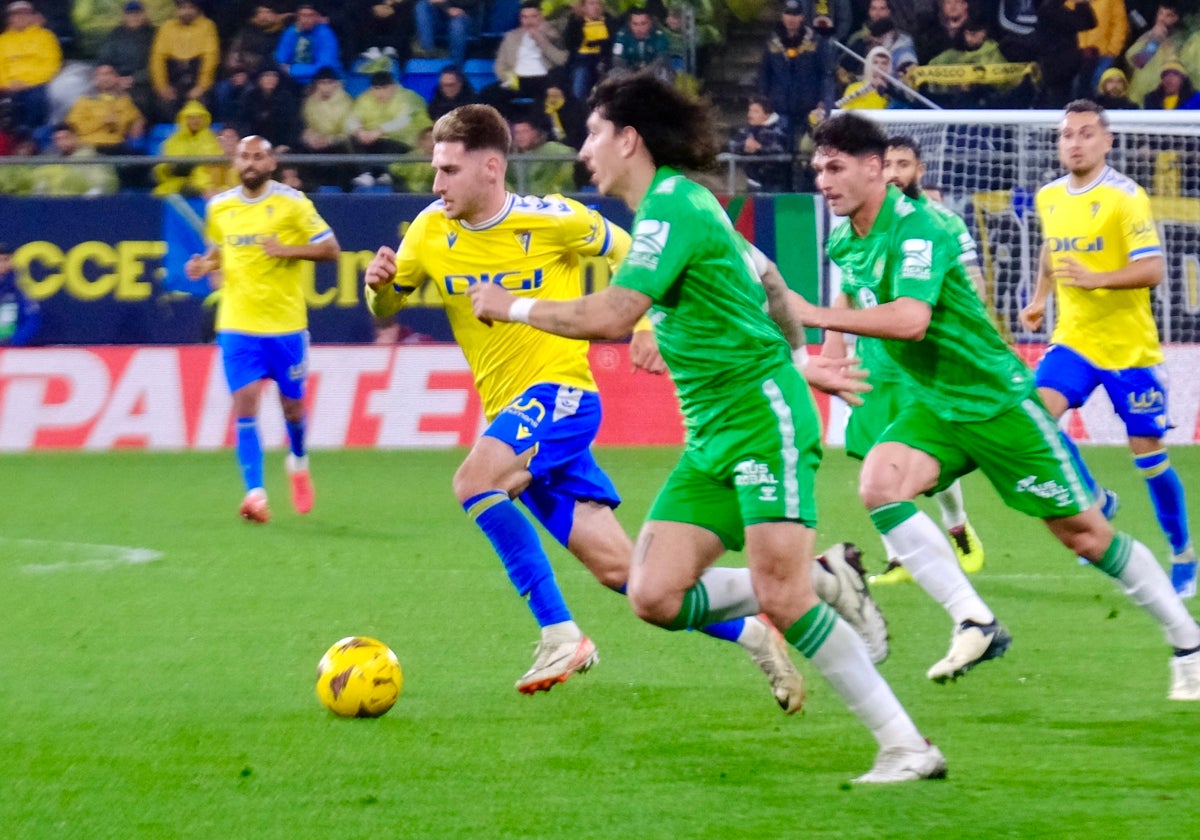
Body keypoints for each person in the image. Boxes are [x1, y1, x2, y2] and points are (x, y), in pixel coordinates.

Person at [464, 79, 940, 783]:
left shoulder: (671, 205)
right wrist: (801, 360)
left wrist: (513, 306)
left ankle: (906, 746)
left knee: (782, 600)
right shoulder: (690, 206)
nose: (586, 149)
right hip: (715, 433)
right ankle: (827, 576)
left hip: (757, 421)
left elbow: (616, 315)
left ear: (629, 138)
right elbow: (771, 280)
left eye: (594, 133)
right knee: (652, 593)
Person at [363, 102, 890, 708]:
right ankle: (773, 618)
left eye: (449, 170)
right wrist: (380, 290)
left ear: (490, 168)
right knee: (625, 575)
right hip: (510, 414)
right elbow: (390, 305)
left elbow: (629, 252)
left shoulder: (555, 218)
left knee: (474, 481)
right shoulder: (430, 230)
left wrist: (643, 328)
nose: (436, 184)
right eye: (435, 169)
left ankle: (560, 633)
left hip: (561, 397)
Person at [795, 110, 1200, 701]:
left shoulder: (920, 228)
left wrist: (812, 316)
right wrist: (828, 358)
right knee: (880, 486)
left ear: (877, 169)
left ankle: (1189, 644)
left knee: (1086, 536)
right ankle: (975, 621)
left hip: (995, 400)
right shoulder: (841, 235)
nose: (824, 181)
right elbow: (852, 294)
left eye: (836, 167)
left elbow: (910, 320)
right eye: (817, 169)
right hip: (936, 403)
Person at [1019, 100, 1196, 597]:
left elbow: (1153, 269)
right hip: (1074, 341)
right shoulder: (1050, 196)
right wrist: (1037, 300)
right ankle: (1095, 498)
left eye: (1085, 134)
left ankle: (1182, 551)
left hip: (1127, 350)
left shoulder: (1126, 198)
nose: (1074, 143)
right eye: (1067, 135)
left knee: (1149, 456)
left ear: (1106, 141)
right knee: (1033, 419)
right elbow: (1052, 250)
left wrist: (1098, 279)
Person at [822, 133, 985, 587]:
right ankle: (900, 557)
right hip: (875, 359)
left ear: (920, 170)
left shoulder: (941, 223)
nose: (895, 173)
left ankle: (956, 525)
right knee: (878, 456)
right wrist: (832, 343)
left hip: (925, 359)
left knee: (924, 453)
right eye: (888, 164)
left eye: (903, 164)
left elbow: (972, 284)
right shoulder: (851, 231)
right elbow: (850, 291)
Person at [185, 135, 340, 523]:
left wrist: (286, 251)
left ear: (271, 164)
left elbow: (330, 249)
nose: (250, 163)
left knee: (291, 407)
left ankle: (298, 461)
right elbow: (219, 251)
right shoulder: (219, 207)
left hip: (286, 325)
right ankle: (255, 494)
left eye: (258, 157)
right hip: (237, 323)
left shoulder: (292, 203)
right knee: (246, 402)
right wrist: (206, 266)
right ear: (235, 163)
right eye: (244, 157)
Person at [148, 0, 220, 123]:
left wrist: (201, 87)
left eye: (190, 8)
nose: (186, 12)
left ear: (197, 9)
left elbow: (211, 59)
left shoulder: (208, 26)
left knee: (202, 104)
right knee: (161, 105)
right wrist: (162, 87)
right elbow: (157, 59)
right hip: (173, 78)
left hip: (196, 77)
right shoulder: (167, 27)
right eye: (182, 8)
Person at [0, 0, 64, 132]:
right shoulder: (3, 40)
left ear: (32, 16)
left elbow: (51, 65)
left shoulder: (46, 37)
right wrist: (7, 83)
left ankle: (31, 139)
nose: (20, 17)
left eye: (25, 13)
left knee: (37, 100)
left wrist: (28, 82)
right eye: (16, 14)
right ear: (9, 18)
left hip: (35, 85)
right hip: (7, 85)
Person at [65, 62, 147, 155]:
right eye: (101, 75)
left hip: (116, 145)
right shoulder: (84, 100)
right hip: (89, 146)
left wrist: (119, 122)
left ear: (116, 77)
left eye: (109, 74)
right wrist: (101, 121)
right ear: (95, 78)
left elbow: (134, 121)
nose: (105, 78)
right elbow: (76, 126)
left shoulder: (124, 101)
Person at [727, 94, 790, 193]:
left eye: (755, 111)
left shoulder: (779, 130)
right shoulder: (747, 130)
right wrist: (744, 145)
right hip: (753, 182)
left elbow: (780, 150)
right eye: (750, 110)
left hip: (775, 183)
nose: (750, 115)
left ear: (767, 114)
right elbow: (732, 144)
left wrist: (759, 148)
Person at [274, 3, 343, 89]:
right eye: (303, 15)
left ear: (317, 17)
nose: (306, 19)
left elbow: (325, 65)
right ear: (297, 17)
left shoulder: (325, 33)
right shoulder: (291, 31)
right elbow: (280, 59)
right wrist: (293, 34)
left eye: (310, 15)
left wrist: (293, 70)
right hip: (292, 79)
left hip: (321, 79)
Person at [505, 111, 575, 194]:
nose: (520, 136)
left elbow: (570, 154)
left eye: (525, 131)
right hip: (520, 202)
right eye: (517, 132)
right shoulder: (509, 155)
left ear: (535, 132)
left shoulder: (550, 149)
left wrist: (556, 186)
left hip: (549, 199)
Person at [0, 241, 40, 347]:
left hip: (11, 347)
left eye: (5, 260)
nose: (2, 264)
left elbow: (32, 319)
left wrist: (14, 341)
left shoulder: (20, 287)